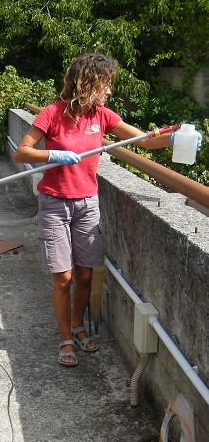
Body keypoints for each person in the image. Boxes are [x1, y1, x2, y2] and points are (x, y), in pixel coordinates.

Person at [14, 52, 196, 367]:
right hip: (55, 202)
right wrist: (53, 155)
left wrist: (175, 139)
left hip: (87, 203)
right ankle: (65, 337)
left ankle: (79, 326)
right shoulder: (53, 113)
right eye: (105, 85)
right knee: (64, 277)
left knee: (85, 274)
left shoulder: (103, 116)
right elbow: (22, 152)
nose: (109, 92)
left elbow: (144, 142)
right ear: (87, 83)